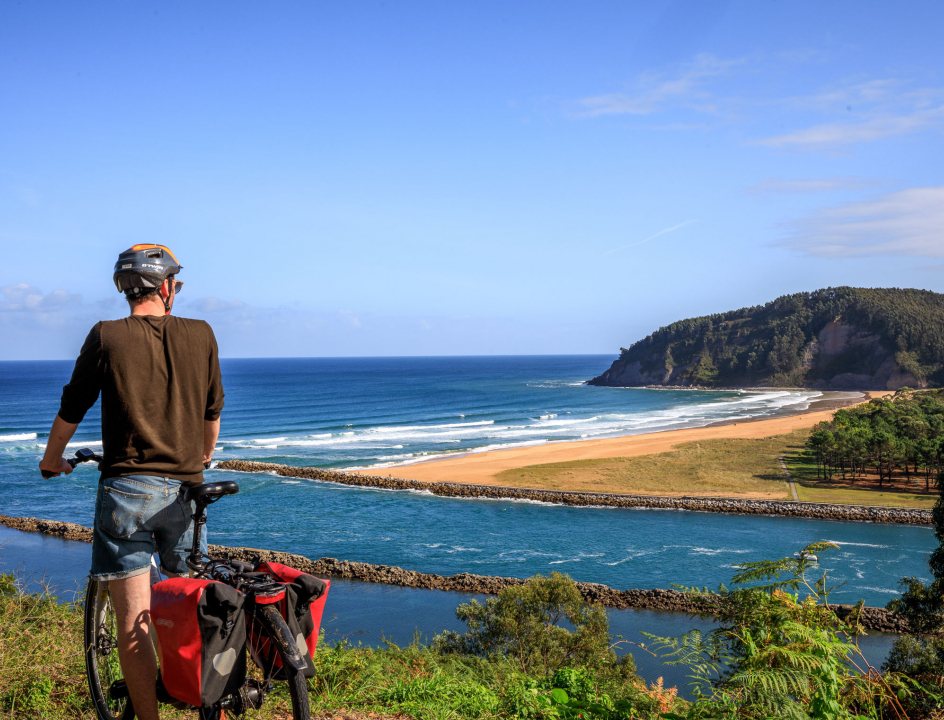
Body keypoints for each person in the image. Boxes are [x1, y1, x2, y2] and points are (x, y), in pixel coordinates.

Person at [39, 244, 224, 720]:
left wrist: (52, 458)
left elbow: (73, 406)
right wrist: (202, 455)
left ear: (126, 288)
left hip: (127, 492)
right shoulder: (202, 333)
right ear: (166, 287)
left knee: (133, 620)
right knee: (191, 609)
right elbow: (212, 411)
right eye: (176, 283)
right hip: (186, 490)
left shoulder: (107, 336)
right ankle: (207, 703)